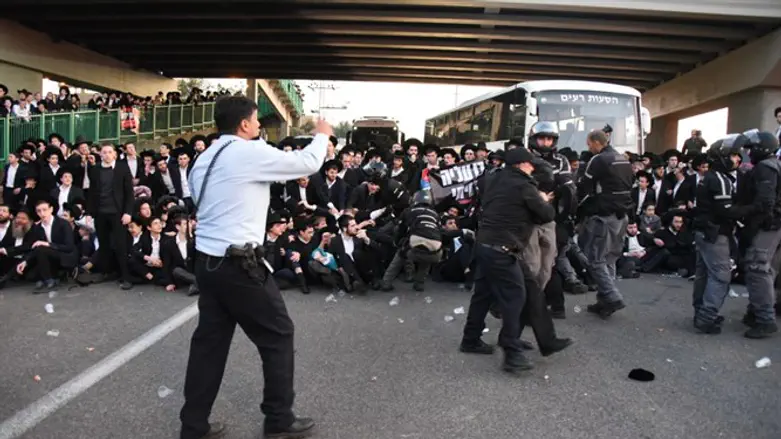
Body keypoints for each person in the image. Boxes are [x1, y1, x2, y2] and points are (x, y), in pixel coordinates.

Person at [180, 96, 331, 439]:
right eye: (256, 121)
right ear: (244, 124)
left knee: (209, 346)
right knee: (278, 334)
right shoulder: (246, 152)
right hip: (239, 266)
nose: (260, 127)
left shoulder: (204, 158)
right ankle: (278, 420)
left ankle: (194, 426)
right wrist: (322, 135)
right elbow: (307, 162)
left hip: (208, 262)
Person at [460, 147, 555, 373]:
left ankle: (471, 339)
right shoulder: (525, 186)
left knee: (483, 294)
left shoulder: (493, 178)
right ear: (522, 164)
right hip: (502, 248)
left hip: (484, 244)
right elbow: (547, 215)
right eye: (530, 164)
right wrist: (543, 199)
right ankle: (511, 351)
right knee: (515, 296)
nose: (532, 168)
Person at [576, 130, 634, 318]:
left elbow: (585, 187)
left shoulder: (598, 160)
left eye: (589, 144)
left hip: (604, 215)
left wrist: (578, 209)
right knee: (610, 258)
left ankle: (612, 296)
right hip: (621, 215)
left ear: (596, 142)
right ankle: (604, 301)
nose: (589, 148)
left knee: (596, 258)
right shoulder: (623, 159)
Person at [690, 136, 744, 334]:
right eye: (733, 155)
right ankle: (707, 316)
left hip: (705, 232)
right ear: (722, 157)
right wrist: (750, 209)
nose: (737, 159)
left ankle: (701, 312)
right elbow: (725, 210)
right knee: (721, 276)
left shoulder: (709, 177)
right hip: (715, 233)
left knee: (704, 274)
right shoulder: (720, 179)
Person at [736, 129, 781, 339]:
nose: (749, 152)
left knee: (757, 268)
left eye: (752, 148)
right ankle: (756, 312)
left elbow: (764, 203)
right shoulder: (774, 164)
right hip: (775, 225)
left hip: (768, 225)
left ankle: (765, 318)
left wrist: (745, 219)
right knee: (768, 270)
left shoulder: (765, 167)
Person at [85, 143, 135, 289]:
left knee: (120, 245)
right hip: (100, 213)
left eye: (109, 152)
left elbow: (129, 194)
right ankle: (106, 271)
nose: (106, 154)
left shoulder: (122, 168)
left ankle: (125, 276)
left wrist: (128, 212)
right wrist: (89, 212)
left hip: (118, 213)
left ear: (114, 154)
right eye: (104, 152)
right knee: (103, 244)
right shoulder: (95, 170)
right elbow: (92, 193)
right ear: (100, 155)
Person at [380, 190, 442, 292]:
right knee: (427, 251)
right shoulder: (435, 214)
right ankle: (419, 283)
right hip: (436, 252)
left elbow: (401, 230)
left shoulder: (409, 211)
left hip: (416, 246)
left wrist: (397, 242)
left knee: (402, 252)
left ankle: (386, 283)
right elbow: (440, 232)